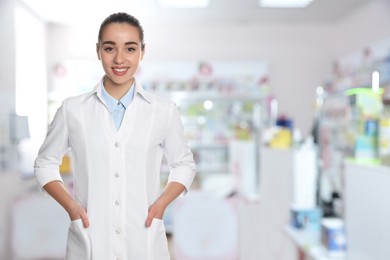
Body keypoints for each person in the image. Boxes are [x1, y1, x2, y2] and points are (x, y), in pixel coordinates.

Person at [34, 12, 196, 260]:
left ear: (142, 51)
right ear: (98, 50)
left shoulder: (162, 111)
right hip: (90, 239)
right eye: (110, 48)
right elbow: (45, 163)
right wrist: (71, 207)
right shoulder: (72, 109)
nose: (119, 58)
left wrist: (162, 204)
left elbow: (184, 164)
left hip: (143, 239)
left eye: (130, 49)